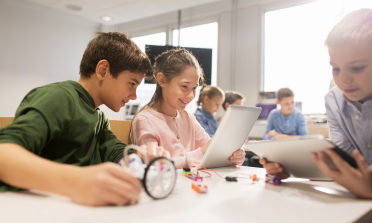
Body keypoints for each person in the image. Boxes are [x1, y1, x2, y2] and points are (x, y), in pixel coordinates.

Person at [0, 32, 170, 206]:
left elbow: (113, 149)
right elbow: (3, 153)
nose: (134, 96)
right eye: (132, 83)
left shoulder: (98, 116)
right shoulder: (59, 97)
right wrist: (75, 181)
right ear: (103, 70)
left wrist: (139, 158)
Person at [261, 9, 372, 198]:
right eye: (335, 68)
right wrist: (295, 167)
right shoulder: (334, 100)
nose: (343, 79)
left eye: (357, 68)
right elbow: (344, 160)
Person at [130, 49, 245, 169]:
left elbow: (211, 151)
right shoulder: (144, 120)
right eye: (184, 86)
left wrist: (232, 156)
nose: (191, 95)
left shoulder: (187, 117)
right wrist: (201, 153)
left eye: (194, 88)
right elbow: (155, 167)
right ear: (162, 80)